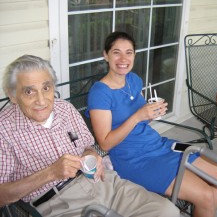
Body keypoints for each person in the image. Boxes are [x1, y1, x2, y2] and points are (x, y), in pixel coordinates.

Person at [0, 55, 180, 217]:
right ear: (13, 95)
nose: (41, 100)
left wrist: (91, 154)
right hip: (58, 204)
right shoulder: (4, 129)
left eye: (46, 88)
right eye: (29, 91)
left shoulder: (65, 108)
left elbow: (88, 146)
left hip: (102, 183)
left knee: (167, 211)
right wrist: (50, 173)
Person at [86, 31, 217, 217]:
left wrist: (151, 113)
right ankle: (204, 207)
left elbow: (140, 117)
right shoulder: (100, 93)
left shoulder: (133, 80)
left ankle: (204, 211)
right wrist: (138, 116)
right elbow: (105, 143)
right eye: (116, 52)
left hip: (160, 144)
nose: (123, 58)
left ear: (134, 55)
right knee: (206, 196)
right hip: (135, 159)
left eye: (129, 52)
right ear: (106, 55)